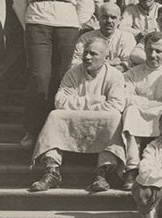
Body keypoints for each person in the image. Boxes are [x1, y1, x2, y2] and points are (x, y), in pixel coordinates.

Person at [13, 0, 95, 150]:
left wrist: (75, 25)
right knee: (39, 78)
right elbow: (19, 0)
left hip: (67, 24)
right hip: (38, 22)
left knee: (61, 79)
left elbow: (85, 3)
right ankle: (33, 130)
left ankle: (57, 133)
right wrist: (30, 25)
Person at [29, 35, 127, 193]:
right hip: (85, 116)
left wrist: (80, 106)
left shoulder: (115, 75)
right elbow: (60, 102)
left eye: (93, 54)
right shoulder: (73, 73)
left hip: (96, 118)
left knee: (114, 118)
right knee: (55, 115)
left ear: (105, 57)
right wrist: (94, 100)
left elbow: (116, 105)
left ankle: (103, 173)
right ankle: (52, 170)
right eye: (86, 53)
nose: (87, 57)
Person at [117, 31, 162, 189]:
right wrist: (152, 103)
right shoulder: (133, 73)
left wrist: (148, 104)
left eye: (158, 51)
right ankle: (132, 168)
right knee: (130, 111)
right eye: (149, 50)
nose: (153, 55)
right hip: (140, 112)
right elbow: (124, 97)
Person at [71, 2, 136, 72]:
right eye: (105, 17)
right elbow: (75, 64)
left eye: (113, 17)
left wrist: (94, 63)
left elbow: (128, 64)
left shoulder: (127, 38)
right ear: (98, 18)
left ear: (120, 20)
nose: (109, 21)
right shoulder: (86, 38)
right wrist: (112, 62)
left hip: (117, 79)